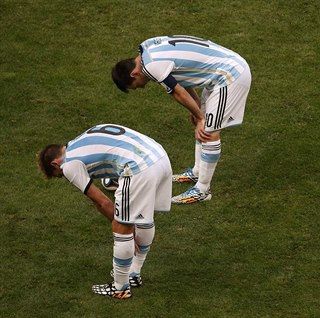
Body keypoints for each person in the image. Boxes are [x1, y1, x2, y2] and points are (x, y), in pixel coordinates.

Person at [37, 124, 172, 299]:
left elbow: (102, 202)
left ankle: (120, 287)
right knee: (142, 217)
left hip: (138, 169)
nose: (63, 175)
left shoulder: (68, 165)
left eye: (59, 174)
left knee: (121, 226)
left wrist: (127, 231)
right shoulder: (84, 137)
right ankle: (134, 272)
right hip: (160, 157)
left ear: (55, 163)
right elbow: (116, 148)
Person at [112, 35, 251, 204]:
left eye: (136, 85)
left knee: (209, 131)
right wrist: (198, 110)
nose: (141, 87)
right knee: (203, 124)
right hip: (221, 70)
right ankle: (197, 171)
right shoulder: (145, 48)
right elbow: (182, 74)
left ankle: (203, 189)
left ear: (134, 74)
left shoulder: (151, 68)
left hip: (230, 76)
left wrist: (200, 117)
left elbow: (178, 92)